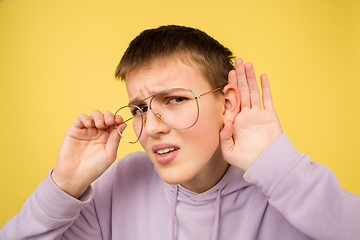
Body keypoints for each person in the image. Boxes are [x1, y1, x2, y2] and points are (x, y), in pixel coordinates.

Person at [1, 25, 359, 240]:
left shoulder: (284, 189)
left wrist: (282, 171)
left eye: (174, 99)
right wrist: (63, 186)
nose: (152, 127)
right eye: (140, 109)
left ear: (228, 104)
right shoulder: (118, 185)